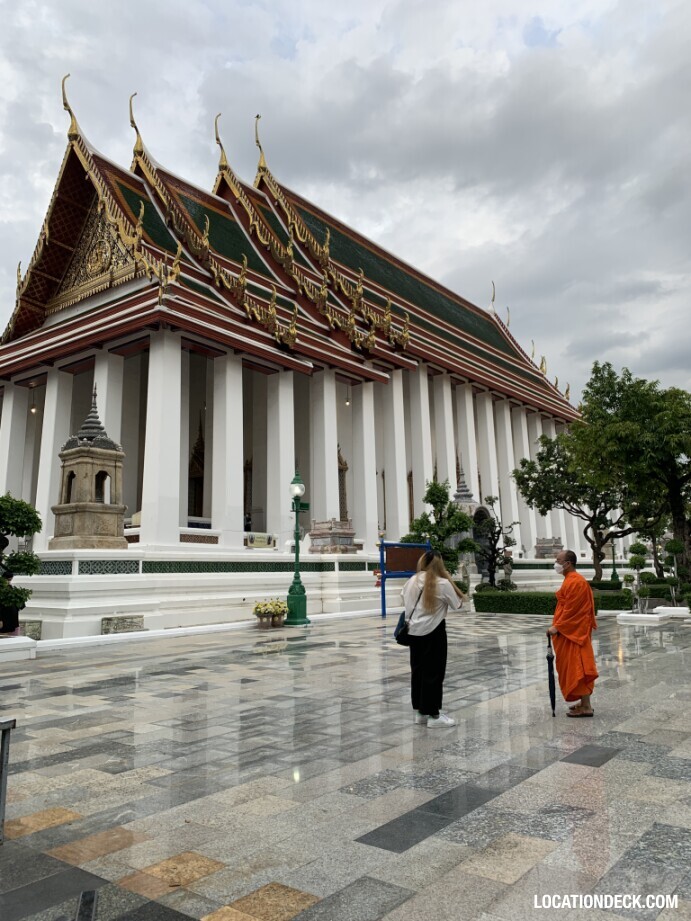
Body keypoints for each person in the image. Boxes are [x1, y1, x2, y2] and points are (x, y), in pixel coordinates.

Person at [402, 549, 467, 728]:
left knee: (418, 672)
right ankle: (433, 715)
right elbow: (458, 604)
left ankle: (420, 712)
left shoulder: (411, 581)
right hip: (433, 632)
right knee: (433, 673)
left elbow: (404, 600)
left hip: (413, 632)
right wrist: (449, 580)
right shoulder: (443, 583)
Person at [547, 549, 598, 717]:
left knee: (580, 667)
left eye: (558, 560)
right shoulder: (571, 580)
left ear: (567, 564)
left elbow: (572, 611)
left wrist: (558, 627)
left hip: (575, 634)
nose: (556, 563)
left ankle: (587, 707)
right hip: (572, 633)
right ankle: (584, 703)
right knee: (577, 667)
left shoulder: (576, 582)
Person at [0, 572, 22, 637]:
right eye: (8, 580)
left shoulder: (9, 587)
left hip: (12, 616)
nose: (9, 582)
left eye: (10, 580)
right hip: (4, 616)